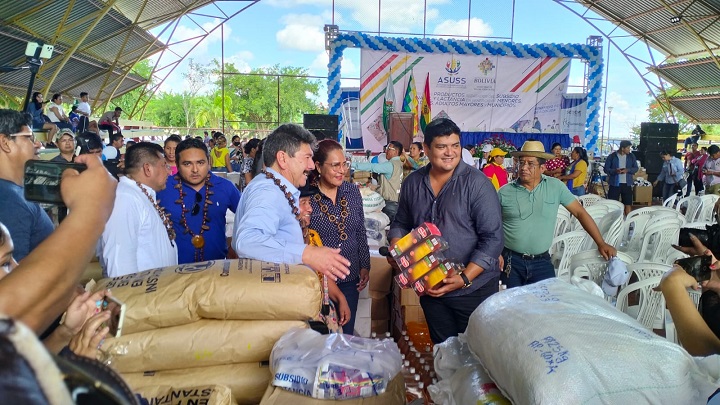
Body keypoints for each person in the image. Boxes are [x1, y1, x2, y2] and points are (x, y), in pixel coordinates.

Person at [389, 118, 504, 344]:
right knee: (443, 351)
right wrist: (396, 246)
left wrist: (464, 277)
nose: (450, 153)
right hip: (432, 287)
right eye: (442, 147)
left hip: (474, 290)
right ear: (427, 149)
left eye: (455, 145)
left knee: (475, 354)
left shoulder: (477, 184)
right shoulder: (413, 183)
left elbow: (493, 238)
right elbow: (401, 222)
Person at [232, 123, 350, 282]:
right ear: (283, 159)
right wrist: (307, 254)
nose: (311, 166)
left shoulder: (275, 188)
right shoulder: (268, 192)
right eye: (307, 158)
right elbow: (248, 241)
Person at [498, 140, 616, 288]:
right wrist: (496, 253)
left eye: (530, 164)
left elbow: (580, 213)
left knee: (546, 301)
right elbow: (491, 226)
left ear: (542, 168)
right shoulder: (505, 192)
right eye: (521, 163)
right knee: (512, 302)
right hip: (511, 262)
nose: (524, 168)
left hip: (541, 262)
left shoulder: (555, 187)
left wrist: (601, 243)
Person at [308, 140, 370, 335]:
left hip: (350, 276)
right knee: (320, 337)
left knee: (346, 333)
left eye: (344, 164)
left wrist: (365, 265)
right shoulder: (307, 197)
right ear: (318, 166)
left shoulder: (352, 192)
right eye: (335, 165)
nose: (342, 170)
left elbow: (360, 230)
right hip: (318, 279)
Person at [97, 142, 177, 278]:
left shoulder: (139, 194)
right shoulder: (124, 198)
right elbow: (120, 263)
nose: (169, 171)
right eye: (164, 165)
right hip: (139, 290)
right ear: (148, 169)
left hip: (157, 287)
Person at [158, 138, 241, 264]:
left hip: (217, 266)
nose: (195, 170)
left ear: (208, 162)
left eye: (200, 163)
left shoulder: (225, 186)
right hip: (174, 268)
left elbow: (247, 218)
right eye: (187, 164)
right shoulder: (162, 188)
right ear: (177, 164)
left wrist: (235, 246)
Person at [0, 110, 54, 262]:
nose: (38, 144)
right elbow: (15, 273)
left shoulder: (14, 193)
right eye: (29, 137)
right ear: (5, 142)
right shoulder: (8, 201)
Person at [299, 183, 350, 333]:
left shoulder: (313, 236)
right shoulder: (282, 244)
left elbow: (323, 276)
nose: (310, 208)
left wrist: (340, 298)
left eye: (309, 202)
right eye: (303, 203)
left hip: (320, 312)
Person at [351, 140, 405, 222]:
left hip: (389, 205)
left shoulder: (390, 165)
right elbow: (391, 182)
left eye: (389, 149)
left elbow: (372, 167)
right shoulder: (400, 163)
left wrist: (352, 164)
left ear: (396, 152)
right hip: (396, 202)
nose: (386, 151)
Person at [604, 140, 639, 216]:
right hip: (614, 183)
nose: (629, 150)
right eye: (628, 148)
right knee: (613, 204)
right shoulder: (612, 156)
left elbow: (636, 168)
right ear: (622, 148)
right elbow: (606, 169)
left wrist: (627, 170)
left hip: (627, 183)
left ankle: (628, 220)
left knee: (627, 203)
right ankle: (613, 219)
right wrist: (615, 171)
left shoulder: (631, 156)